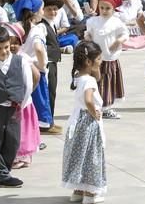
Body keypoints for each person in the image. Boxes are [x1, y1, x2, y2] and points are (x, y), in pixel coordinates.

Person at [0, 26, 32, 188]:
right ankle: (1, 175)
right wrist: (0, 98)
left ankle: (2, 173)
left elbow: (28, 85)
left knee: (13, 142)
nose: (4, 51)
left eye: (7, 47)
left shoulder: (20, 61)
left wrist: (20, 104)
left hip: (14, 108)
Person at [62, 41, 107, 203]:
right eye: (99, 59)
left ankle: (78, 190)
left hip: (77, 120)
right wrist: (94, 111)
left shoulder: (78, 77)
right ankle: (90, 193)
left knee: (79, 155)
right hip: (88, 123)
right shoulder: (89, 80)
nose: (101, 62)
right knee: (91, 156)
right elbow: (89, 99)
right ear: (89, 62)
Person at [85, 0, 129, 119]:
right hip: (95, 58)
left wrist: (119, 41)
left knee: (108, 83)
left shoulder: (117, 22)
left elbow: (125, 34)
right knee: (95, 83)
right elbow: (88, 33)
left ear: (113, 9)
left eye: (107, 8)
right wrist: (87, 37)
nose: (104, 11)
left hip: (110, 58)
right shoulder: (93, 21)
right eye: (102, 7)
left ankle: (106, 107)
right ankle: (95, 106)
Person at [14, 0, 54, 133]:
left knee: (21, 104)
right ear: (36, 12)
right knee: (37, 105)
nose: (43, 12)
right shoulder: (37, 29)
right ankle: (34, 137)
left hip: (18, 70)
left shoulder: (15, 27)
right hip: (35, 70)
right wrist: (43, 65)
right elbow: (38, 48)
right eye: (42, 9)